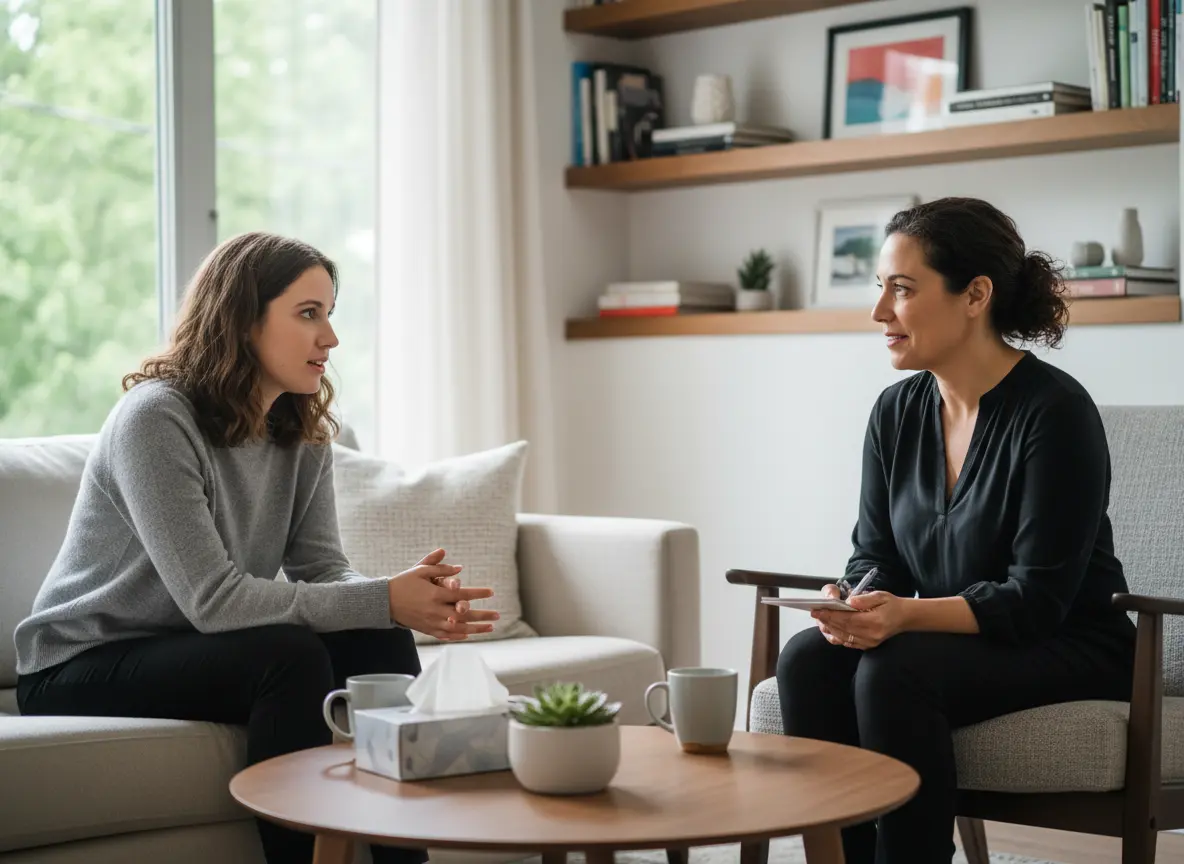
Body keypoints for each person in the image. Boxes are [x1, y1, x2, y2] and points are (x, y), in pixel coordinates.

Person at [13, 232, 499, 864]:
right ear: (243, 321)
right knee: (289, 656)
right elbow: (212, 601)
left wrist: (399, 602)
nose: (331, 338)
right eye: (308, 314)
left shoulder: (302, 425)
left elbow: (321, 567)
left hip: (188, 646)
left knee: (379, 639)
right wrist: (383, 598)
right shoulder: (155, 419)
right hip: (79, 663)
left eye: (330, 314)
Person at [775, 198, 1137, 864]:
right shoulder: (895, 412)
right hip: (952, 637)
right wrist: (857, 600)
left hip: (1070, 642)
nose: (879, 312)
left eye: (902, 289)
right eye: (879, 288)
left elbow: (1037, 601)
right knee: (807, 658)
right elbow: (876, 553)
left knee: (894, 674)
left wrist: (905, 617)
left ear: (975, 295)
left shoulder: (1055, 413)